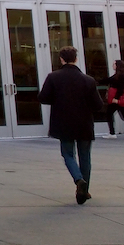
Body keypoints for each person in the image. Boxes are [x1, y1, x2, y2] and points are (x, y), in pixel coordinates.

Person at [39, 46, 103, 205]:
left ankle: (78, 179)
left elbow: (43, 98)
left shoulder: (53, 77)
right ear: (76, 59)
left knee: (68, 154)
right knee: (85, 156)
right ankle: (84, 190)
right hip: (84, 123)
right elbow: (98, 105)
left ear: (61, 59)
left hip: (64, 122)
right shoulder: (88, 80)